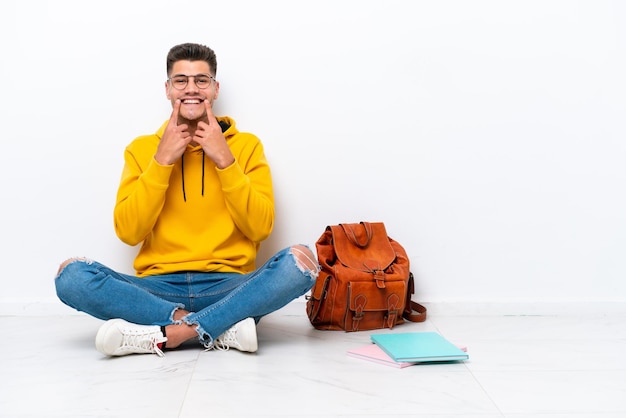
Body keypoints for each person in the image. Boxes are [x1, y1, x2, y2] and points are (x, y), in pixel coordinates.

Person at [54, 42, 319, 357]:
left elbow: (260, 228)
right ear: (167, 89)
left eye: (201, 80)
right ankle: (215, 327)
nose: (191, 88)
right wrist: (162, 162)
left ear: (215, 88)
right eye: (181, 80)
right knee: (70, 276)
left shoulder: (246, 146)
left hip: (229, 287)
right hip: (157, 289)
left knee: (301, 262)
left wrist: (225, 160)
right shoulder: (141, 150)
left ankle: (170, 333)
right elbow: (128, 232)